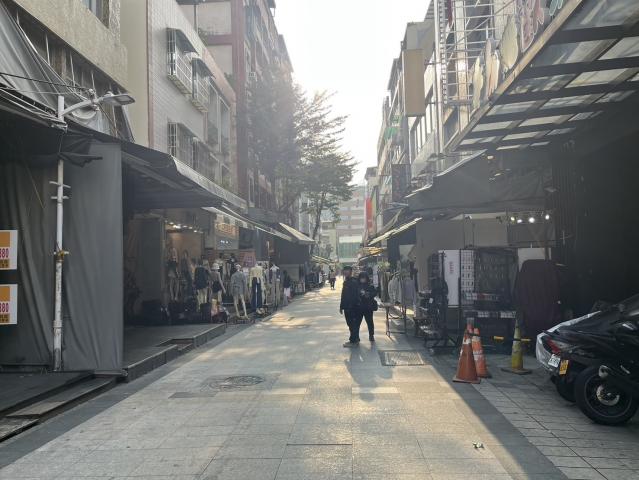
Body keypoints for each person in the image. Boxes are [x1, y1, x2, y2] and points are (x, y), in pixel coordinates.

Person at [339, 265, 361, 347]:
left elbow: (355, 296)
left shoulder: (354, 282)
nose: (345, 272)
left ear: (351, 272)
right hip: (347, 307)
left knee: (352, 324)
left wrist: (352, 306)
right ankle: (356, 339)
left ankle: (353, 341)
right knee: (350, 324)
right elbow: (343, 295)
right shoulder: (346, 281)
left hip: (353, 307)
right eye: (344, 270)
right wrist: (341, 307)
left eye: (347, 270)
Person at [355, 271, 378, 342]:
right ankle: (356, 336)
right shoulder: (357, 286)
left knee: (370, 322)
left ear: (366, 278)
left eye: (364, 278)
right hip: (359, 307)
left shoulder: (370, 285)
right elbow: (354, 295)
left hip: (368, 307)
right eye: (361, 278)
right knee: (357, 322)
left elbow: (374, 293)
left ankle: (371, 335)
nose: (362, 279)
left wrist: (367, 294)